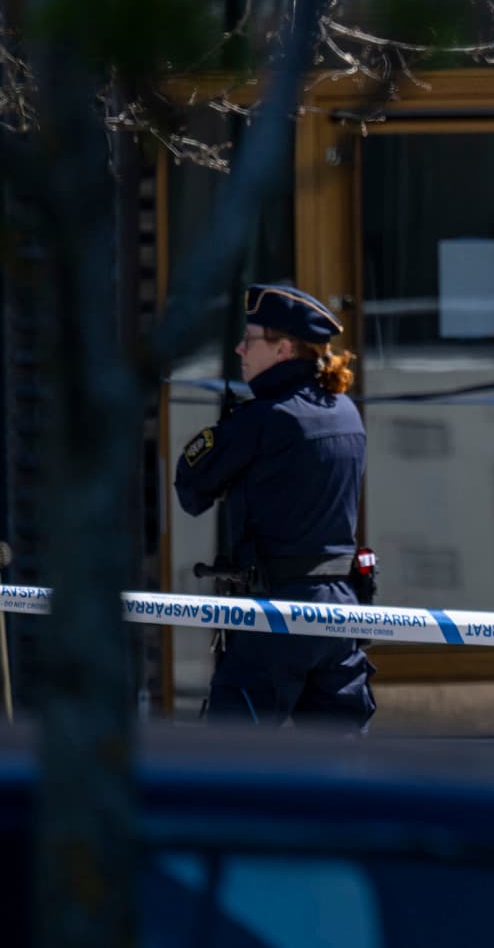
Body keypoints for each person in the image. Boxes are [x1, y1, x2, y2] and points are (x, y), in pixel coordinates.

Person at [175, 283, 376, 731]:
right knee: (338, 781)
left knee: (231, 774)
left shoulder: (265, 419)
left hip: (274, 618)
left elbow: (190, 490)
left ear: (283, 348)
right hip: (340, 616)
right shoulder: (346, 412)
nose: (240, 349)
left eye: (251, 339)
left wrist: (227, 433)